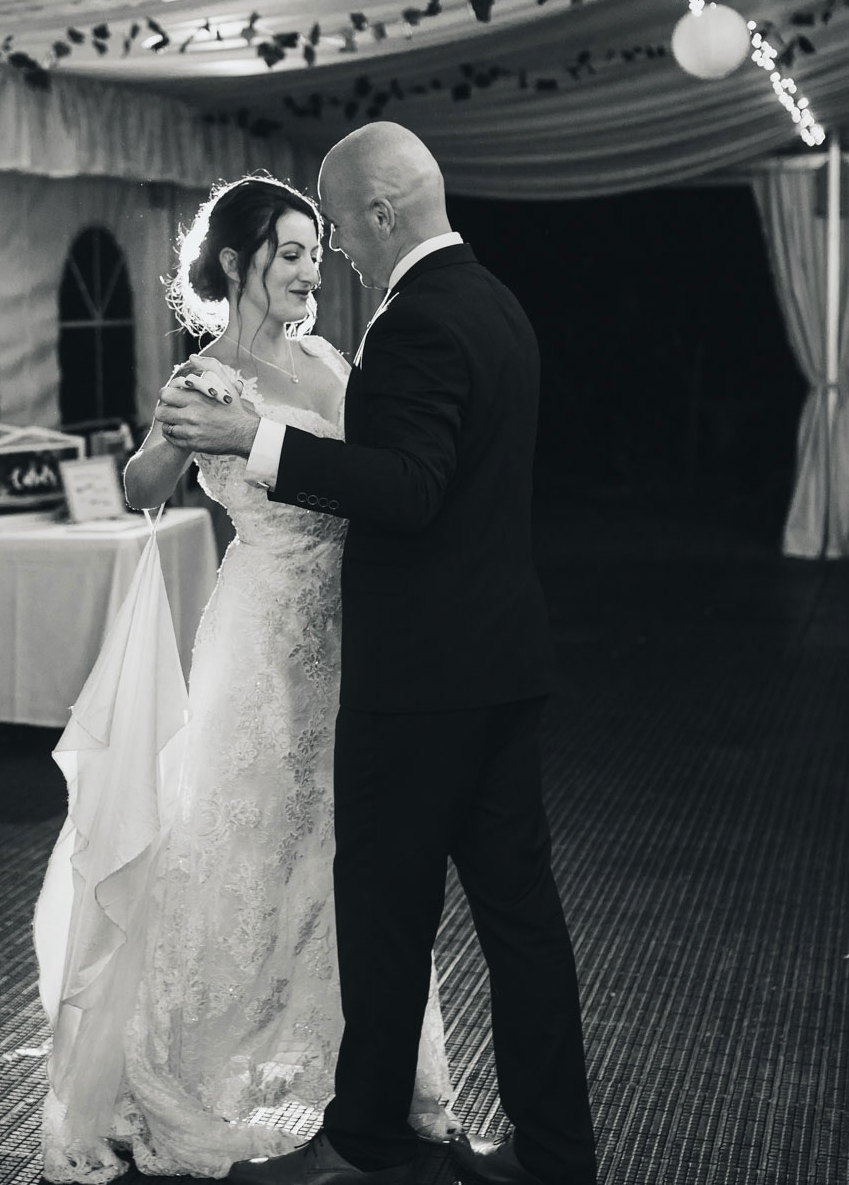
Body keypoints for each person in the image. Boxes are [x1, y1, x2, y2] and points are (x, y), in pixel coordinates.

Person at [156, 123, 597, 1185]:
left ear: (382, 212)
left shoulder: (414, 325)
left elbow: (410, 489)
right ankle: (555, 1157)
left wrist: (252, 443)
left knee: (384, 918)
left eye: (341, 225)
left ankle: (363, 1142)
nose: (336, 251)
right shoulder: (497, 306)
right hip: (503, 666)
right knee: (521, 927)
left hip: (417, 683)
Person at [35, 174, 457, 1182]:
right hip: (258, 636)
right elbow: (142, 488)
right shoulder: (201, 378)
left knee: (340, 847)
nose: (312, 271)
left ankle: (364, 1065)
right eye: (293, 251)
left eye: (317, 251)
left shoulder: (325, 361)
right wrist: (169, 431)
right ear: (236, 263)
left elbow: (379, 476)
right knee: (241, 845)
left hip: (349, 629)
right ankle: (192, 1068)